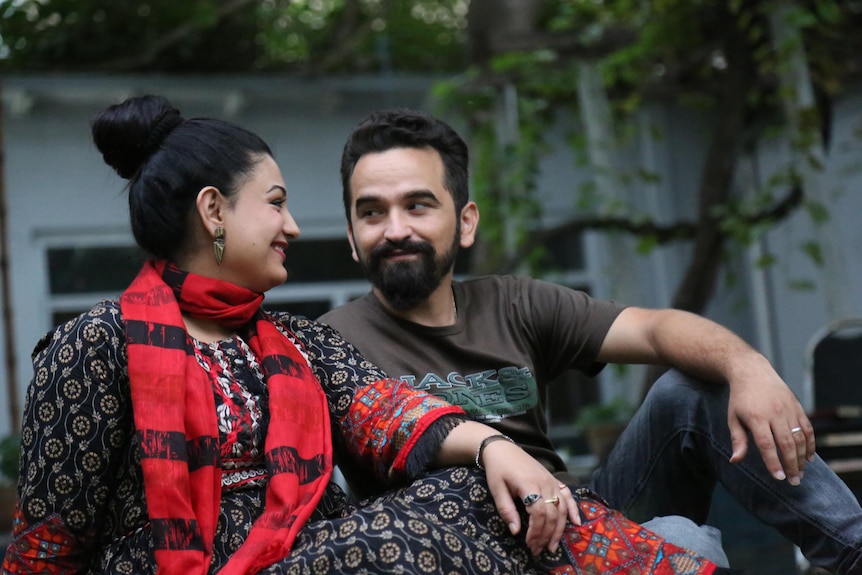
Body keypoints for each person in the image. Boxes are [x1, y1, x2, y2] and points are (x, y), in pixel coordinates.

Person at [0, 96, 730, 575]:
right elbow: (49, 537)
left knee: (468, 488)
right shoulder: (95, 343)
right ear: (214, 210)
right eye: (277, 203)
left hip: (304, 559)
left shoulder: (291, 341)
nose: (292, 226)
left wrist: (495, 443)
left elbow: (385, 410)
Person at [319, 107, 862, 574]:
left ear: (465, 223)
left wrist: (748, 366)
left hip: (579, 525)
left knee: (695, 389)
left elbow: (655, 328)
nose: (394, 230)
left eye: (417, 205)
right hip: (452, 553)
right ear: (350, 236)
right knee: (684, 541)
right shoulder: (328, 346)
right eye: (372, 212)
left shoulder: (514, 304)